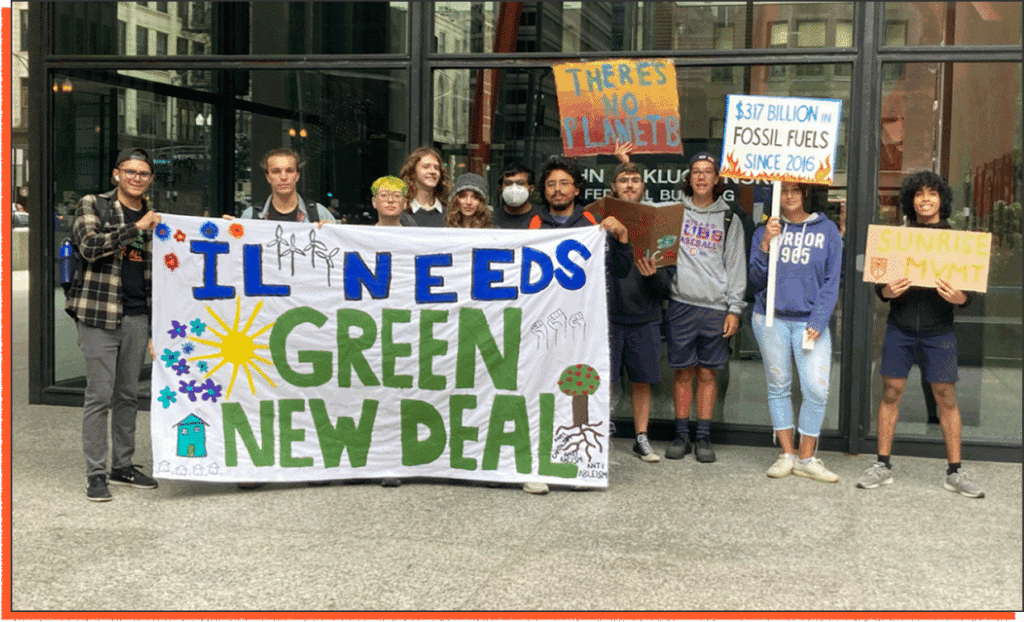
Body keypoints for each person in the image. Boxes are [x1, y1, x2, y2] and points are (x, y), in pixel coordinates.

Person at [857, 171, 985, 498]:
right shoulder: (897, 238)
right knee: (890, 393)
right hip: (900, 329)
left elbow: (970, 289)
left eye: (932, 193)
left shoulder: (957, 240)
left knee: (946, 398)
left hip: (938, 332)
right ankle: (882, 465)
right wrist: (885, 290)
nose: (925, 199)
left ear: (942, 199)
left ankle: (955, 472)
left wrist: (963, 298)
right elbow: (878, 284)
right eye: (919, 194)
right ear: (911, 201)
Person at [521, 156, 632, 494]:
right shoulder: (531, 225)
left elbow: (622, 270)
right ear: (544, 191)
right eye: (551, 184)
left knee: (580, 394)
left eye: (564, 183)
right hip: (542, 326)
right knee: (540, 390)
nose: (557, 189)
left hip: (585, 327)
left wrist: (623, 238)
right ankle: (535, 463)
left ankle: (580, 464)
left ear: (577, 189)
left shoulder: (593, 222)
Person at [65, 148, 162, 501]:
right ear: (116, 174)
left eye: (144, 173)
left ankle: (123, 466)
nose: (137, 178)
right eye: (131, 171)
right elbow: (89, 246)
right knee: (99, 396)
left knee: (127, 396)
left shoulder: (155, 218)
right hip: (98, 314)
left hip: (137, 316)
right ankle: (96, 473)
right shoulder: (94, 204)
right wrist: (135, 227)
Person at [749, 182, 843, 482]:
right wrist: (765, 244)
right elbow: (755, 280)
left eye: (795, 190)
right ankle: (787, 454)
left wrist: (819, 319)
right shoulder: (766, 230)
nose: (789, 195)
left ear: (805, 194)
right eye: (784, 190)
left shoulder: (827, 231)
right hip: (770, 319)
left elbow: (832, 281)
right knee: (779, 386)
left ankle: (806, 456)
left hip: (809, 322)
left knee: (816, 389)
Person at [663, 152, 747, 463]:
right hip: (681, 304)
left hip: (715, 308)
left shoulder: (730, 219)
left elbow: (736, 266)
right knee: (683, 373)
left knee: (708, 374)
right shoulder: (674, 213)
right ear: (689, 178)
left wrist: (734, 309)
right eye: (696, 171)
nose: (701, 177)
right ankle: (681, 434)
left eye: (707, 172)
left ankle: (703, 437)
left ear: (716, 180)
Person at [605, 158, 673, 463]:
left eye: (635, 179)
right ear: (613, 187)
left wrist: (653, 274)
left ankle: (641, 438)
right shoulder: (600, 221)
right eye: (624, 179)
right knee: (604, 380)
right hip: (606, 316)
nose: (630, 184)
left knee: (641, 381)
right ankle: (601, 434)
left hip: (644, 317)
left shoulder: (658, 224)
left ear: (643, 186)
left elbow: (667, 287)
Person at [235, 148, 336, 225]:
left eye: (289, 171)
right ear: (268, 177)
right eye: (276, 171)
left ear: (297, 175)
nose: (283, 177)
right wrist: (227, 230)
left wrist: (332, 234)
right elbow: (238, 250)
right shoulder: (251, 216)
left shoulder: (319, 214)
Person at [400, 146, 450, 227]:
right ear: (413, 172)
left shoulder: (450, 214)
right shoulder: (400, 212)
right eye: (426, 167)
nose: (432, 171)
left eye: (436, 168)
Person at [491, 162, 537, 229]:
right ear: (500, 188)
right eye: (508, 183)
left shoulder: (543, 217)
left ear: (531, 189)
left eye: (521, 183)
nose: (514, 188)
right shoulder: (491, 219)